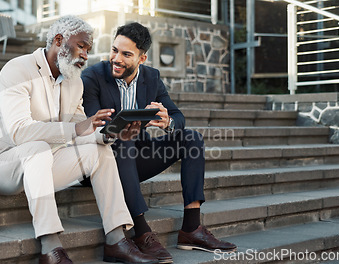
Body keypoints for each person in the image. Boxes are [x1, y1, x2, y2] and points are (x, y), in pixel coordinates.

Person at [0, 16, 159, 264]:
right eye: (81, 46)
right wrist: (75, 129)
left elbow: (83, 130)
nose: (85, 55)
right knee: (37, 148)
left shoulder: (74, 82)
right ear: (59, 41)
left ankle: (116, 240)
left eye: (88, 50)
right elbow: (19, 132)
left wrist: (110, 135)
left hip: (46, 164)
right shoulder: (18, 69)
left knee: (101, 152)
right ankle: (51, 246)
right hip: (3, 165)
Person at [81, 22, 237, 263]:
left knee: (191, 138)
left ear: (142, 58)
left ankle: (192, 229)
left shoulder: (152, 78)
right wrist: (118, 131)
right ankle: (142, 232)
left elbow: (178, 117)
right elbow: (93, 126)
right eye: (114, 50)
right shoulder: (93, 76)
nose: (117, 58)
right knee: (123, 140)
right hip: (103, 162)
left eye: (126, 54)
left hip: (136, 158)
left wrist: (168, 122)